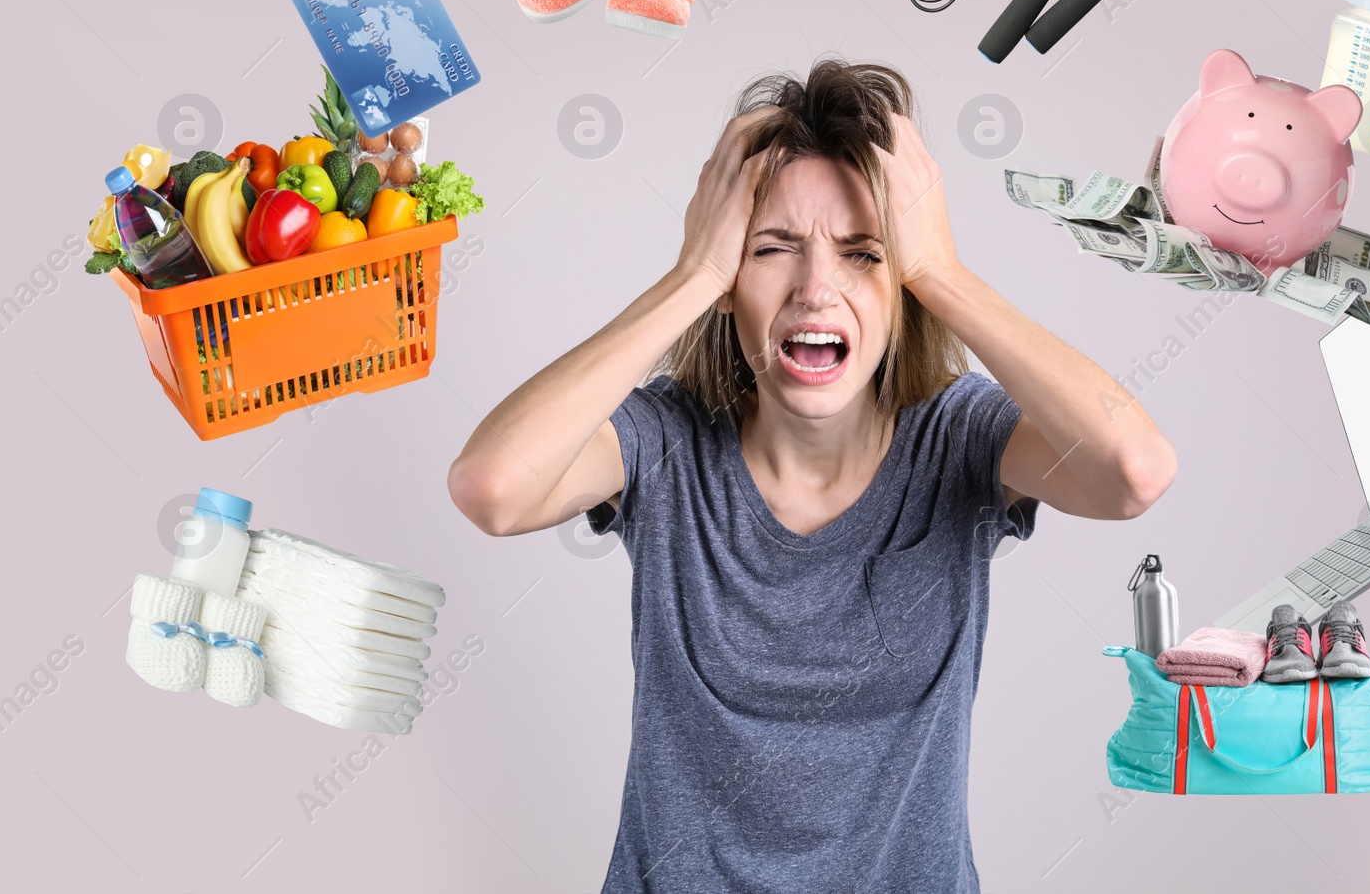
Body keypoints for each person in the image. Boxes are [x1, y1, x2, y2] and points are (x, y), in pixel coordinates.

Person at [448, 59, 1177, 892]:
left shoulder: (958, 437)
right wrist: (690, 275)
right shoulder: (666, 440)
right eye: (772, 249)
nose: (815, 288)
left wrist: (942, 272)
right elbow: (492, 486)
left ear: (901, 285)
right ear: (730, 282)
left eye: (865, 254)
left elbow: (1134, 469)